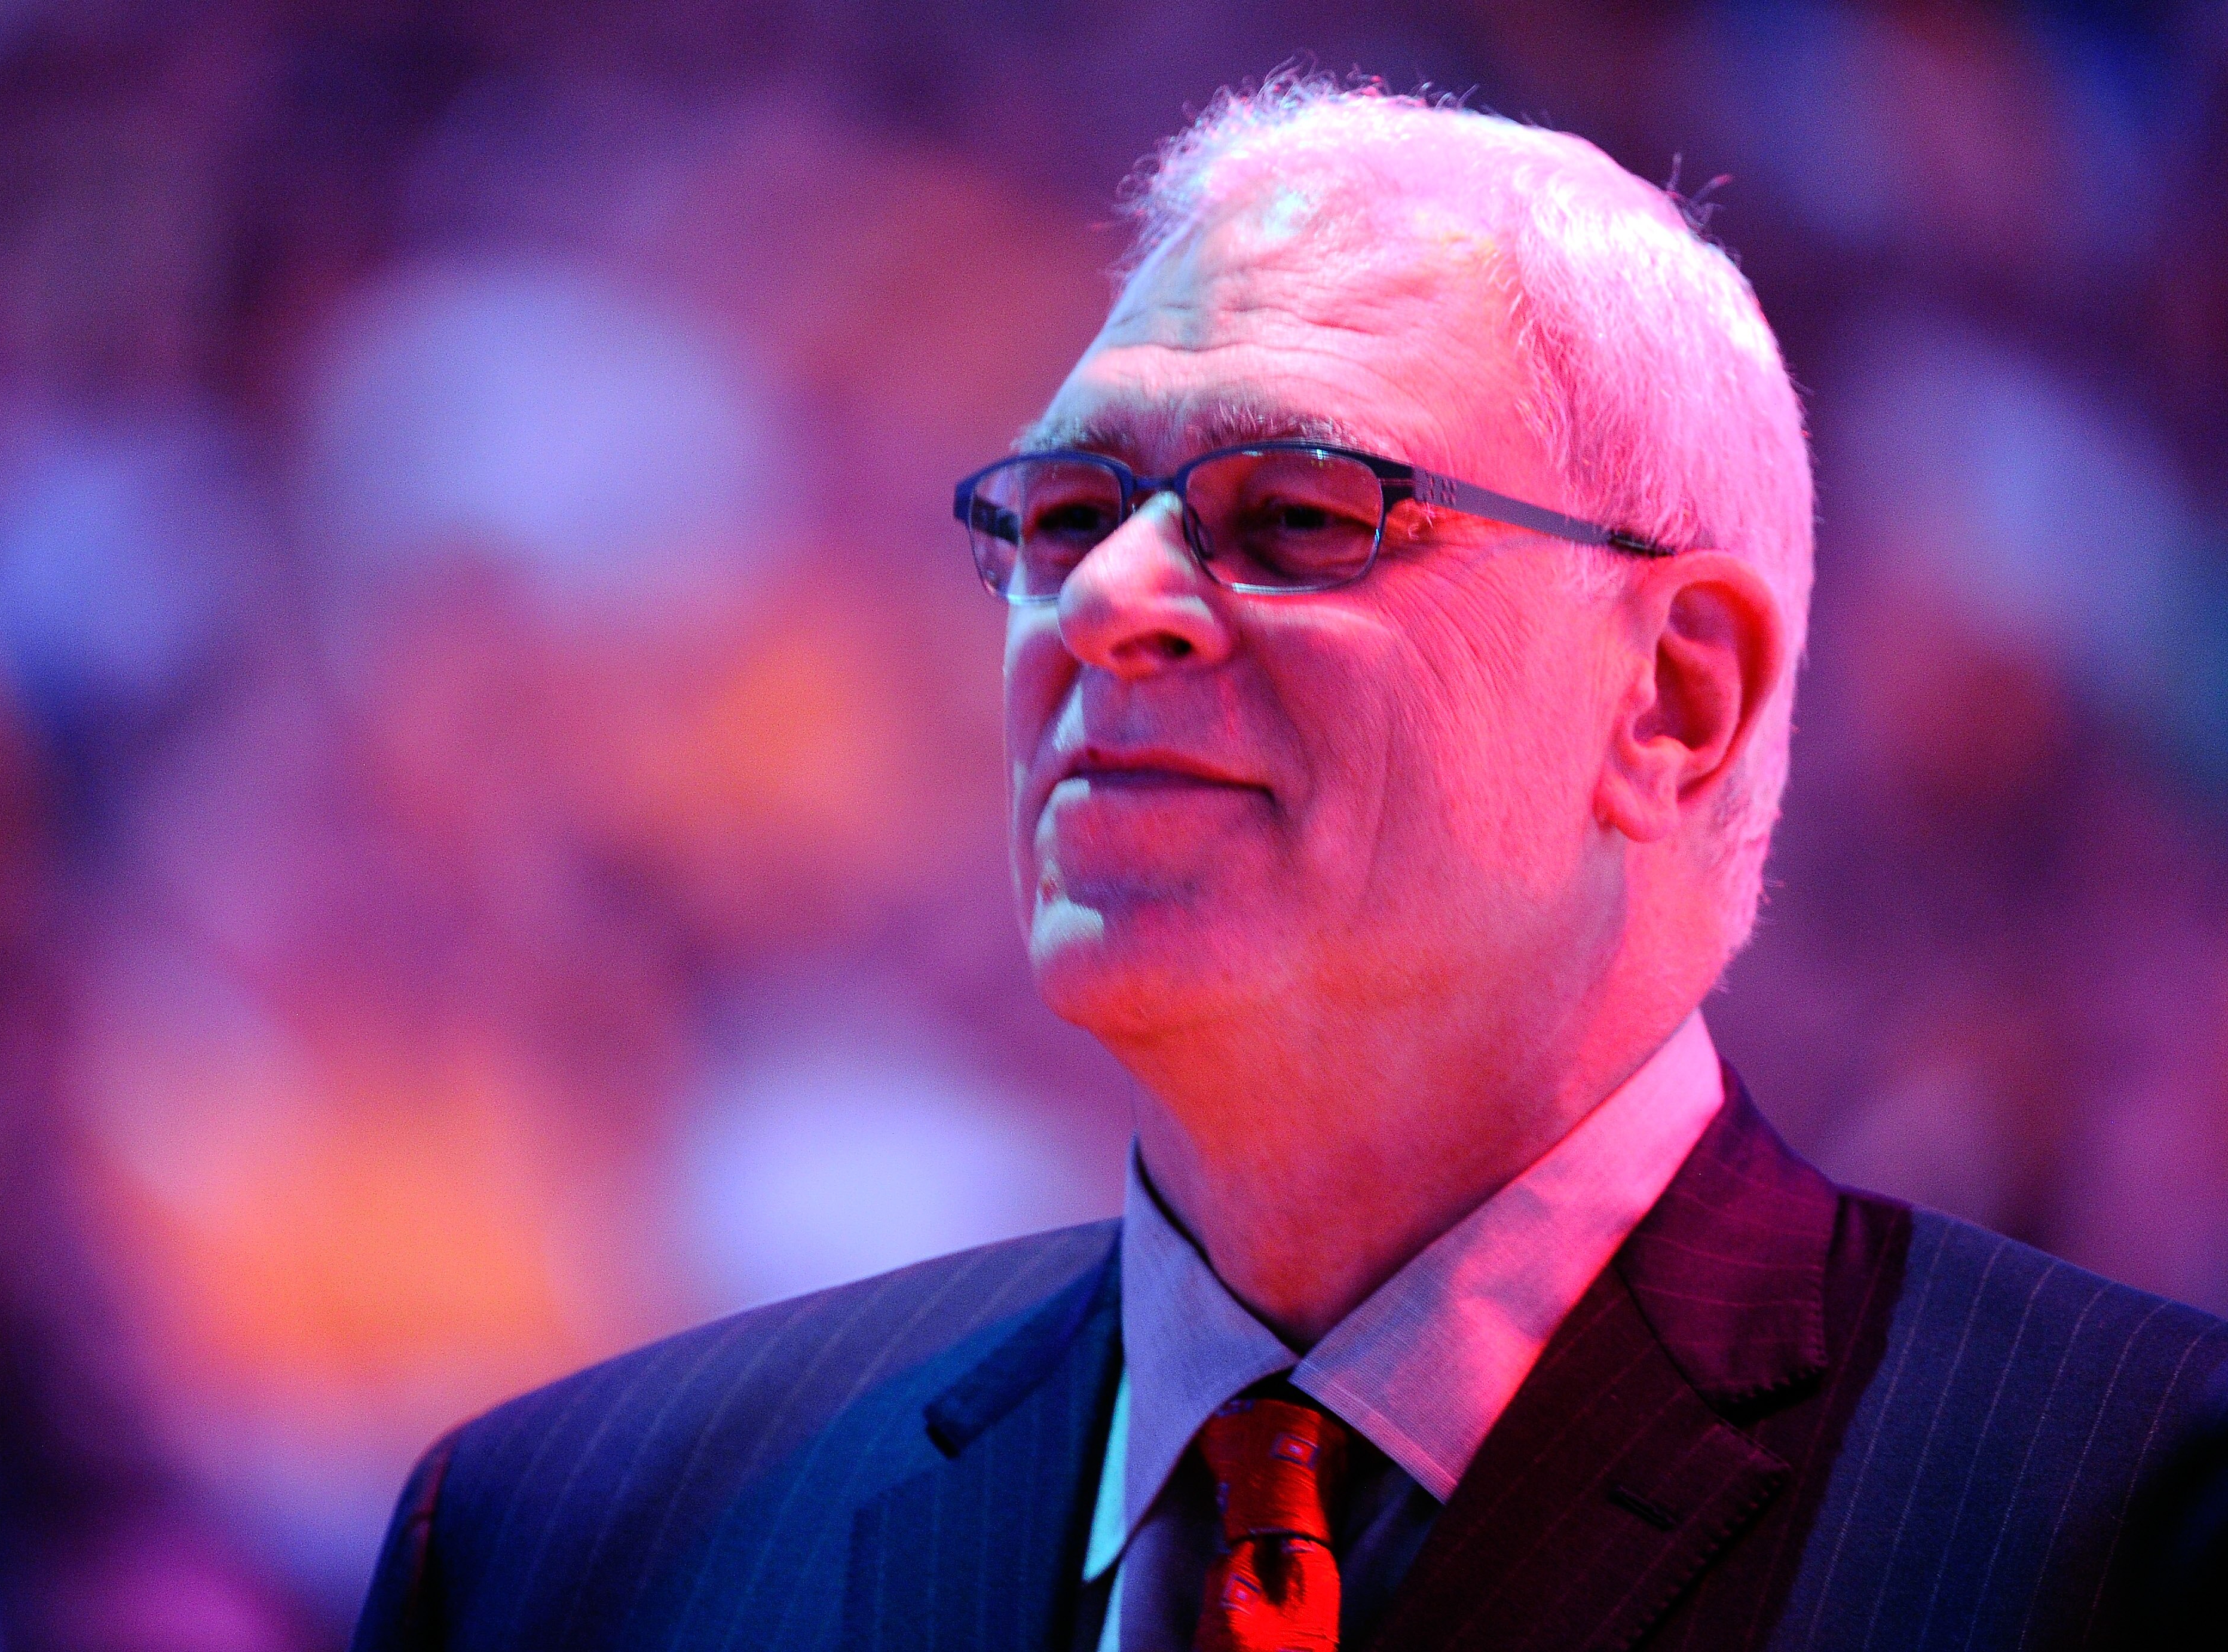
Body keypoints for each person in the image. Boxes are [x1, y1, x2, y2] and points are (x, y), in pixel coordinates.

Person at [350, 81, 2228, 1651]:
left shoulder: (2144, 1523)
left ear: (1673, 693)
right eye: (1066, 511)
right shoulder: (564, 1556)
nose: (1098, 602)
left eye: (1301, 514)